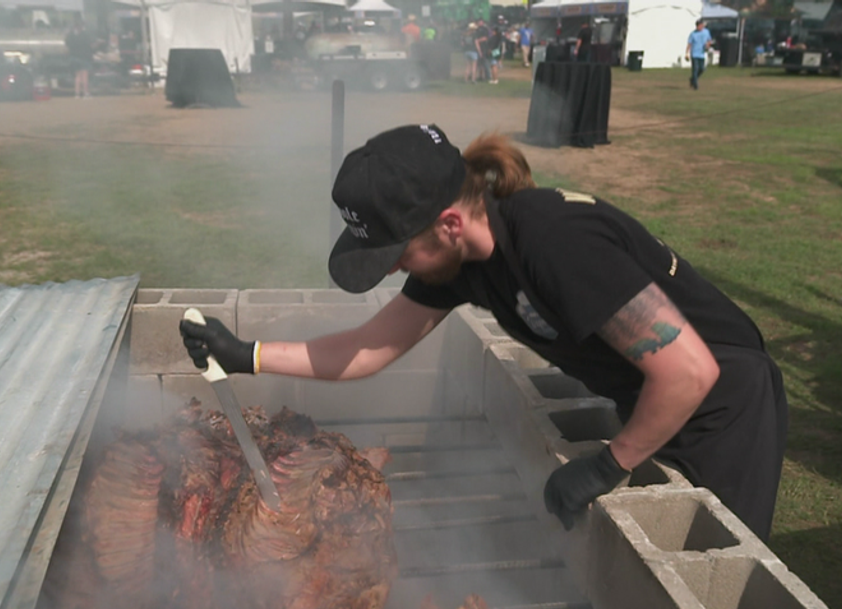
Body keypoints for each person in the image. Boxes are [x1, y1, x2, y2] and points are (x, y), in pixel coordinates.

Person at [179, 125, 789, 542]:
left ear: (448, 223)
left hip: (721, 412)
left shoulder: (556, 243)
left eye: (396, 253)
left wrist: (607, 466)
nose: (391, 269)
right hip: (653, 398)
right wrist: (245, 355)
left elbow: (690, 372)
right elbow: (367, 349)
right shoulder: (463, 263)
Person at [65, 19, 94, 98]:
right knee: (85, 76)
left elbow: (67, 44)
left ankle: (77, 94)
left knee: (77, 76)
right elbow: (90, 45)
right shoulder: (85, 35)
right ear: (81, 27)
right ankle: (86, 93)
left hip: (73, 58)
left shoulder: (70, 35)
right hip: (84, 58)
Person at [685, 19, 712, 89]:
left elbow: (709, 41)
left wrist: (708, 45)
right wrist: (687, 53)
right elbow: (689, 44)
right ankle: (695, 85)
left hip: (701, 54)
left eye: (700, 25)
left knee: (702, 69)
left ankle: (693, 79)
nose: (699, 27)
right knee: (695, 69)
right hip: (694, 54)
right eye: (698, 26)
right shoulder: (693, 34)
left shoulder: (706, 32)